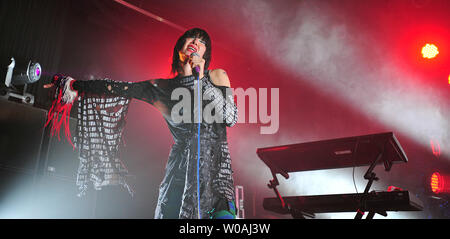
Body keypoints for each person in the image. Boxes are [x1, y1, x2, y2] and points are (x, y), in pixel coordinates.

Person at [44, 28, 238, 219]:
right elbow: (119, 88)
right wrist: (72, 85)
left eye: (202, 41)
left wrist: (201, 79)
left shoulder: (216, 77)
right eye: (192, 38)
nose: (196, 42)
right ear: (179, 47)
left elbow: (230, 117)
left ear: (206, 54)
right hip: (180, 174)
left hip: (215, 175)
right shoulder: (160, 88)